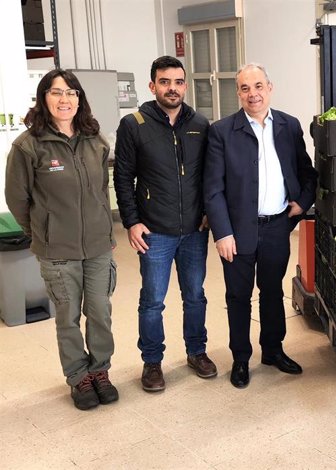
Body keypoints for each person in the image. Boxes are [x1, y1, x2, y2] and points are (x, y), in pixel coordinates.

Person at [5, 69, 118, 410]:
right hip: (57, 251)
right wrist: (41, 233)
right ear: (44, 98)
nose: (64, 99)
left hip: (98, 246)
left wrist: (107, 231)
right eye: (56, 93)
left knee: (100, 311)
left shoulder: (94, 140)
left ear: (79, 99)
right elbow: (17, 199)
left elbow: (101, 192)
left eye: (71, 93)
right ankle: (78, 377)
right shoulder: (27, 146)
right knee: (68, 316)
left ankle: (100, 370)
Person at [204, 63, 318, 389]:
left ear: (270, 87)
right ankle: (241, 358)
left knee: (272, 292)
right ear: (237, 92)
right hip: (237, 232)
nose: (252, 93)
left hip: (276, 227)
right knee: (238, 296)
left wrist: (301, 202)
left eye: (258, 86)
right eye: (244, 88)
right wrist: (222, 232)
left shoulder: (288, 125)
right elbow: (212, 188)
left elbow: (307, 173)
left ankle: (273, 350)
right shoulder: (222, 131)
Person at [114, 56, 216, 392]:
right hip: (154, 231)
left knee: (195, 296)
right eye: (164, 82)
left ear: (185, 85)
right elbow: (123, 177)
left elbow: (208, 176)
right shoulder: (134, 124)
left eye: (178, 82)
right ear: (152, 85)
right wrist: (132, 221)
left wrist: (207, 212)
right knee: (153, 301)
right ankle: (152, 362)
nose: (172, 88)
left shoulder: (201, 123)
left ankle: (196, 351)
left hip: (194, 231)